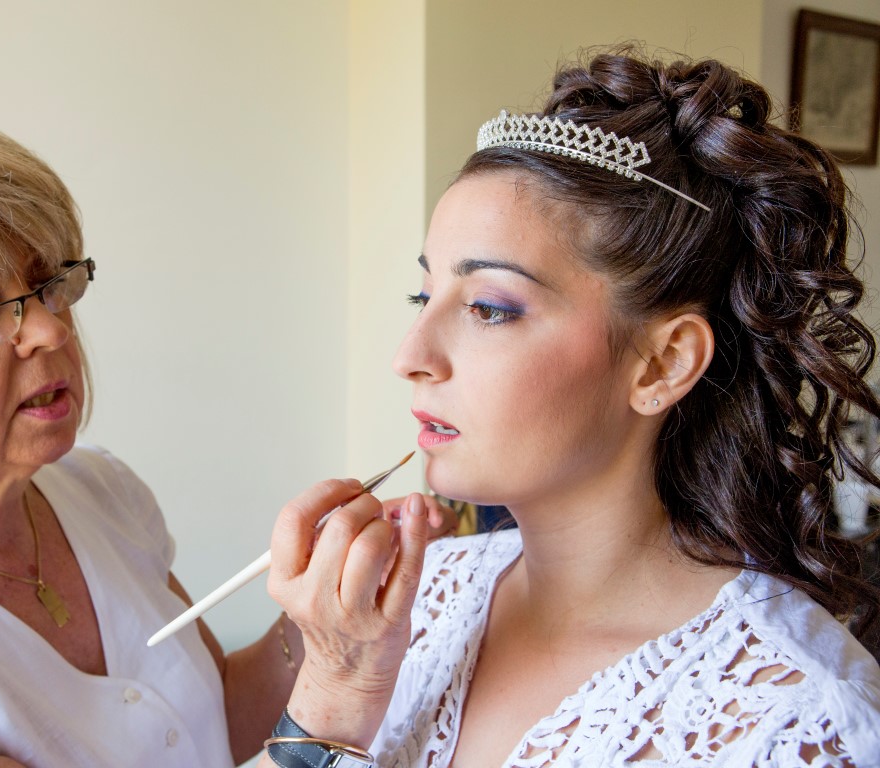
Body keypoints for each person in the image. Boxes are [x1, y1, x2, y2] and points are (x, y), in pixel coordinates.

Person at [0, 109, 437, 767]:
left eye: (47, 285)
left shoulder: (102, 493)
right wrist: (338, 691)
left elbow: (213, 717)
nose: (49, 329)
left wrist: (322, 616)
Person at [291, 48, 880, 767]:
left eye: (489, 308)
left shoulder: (795, 718)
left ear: (662, 364)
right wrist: (329, 695)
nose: (410, 354)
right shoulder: (412, 605)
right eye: (424, 295)